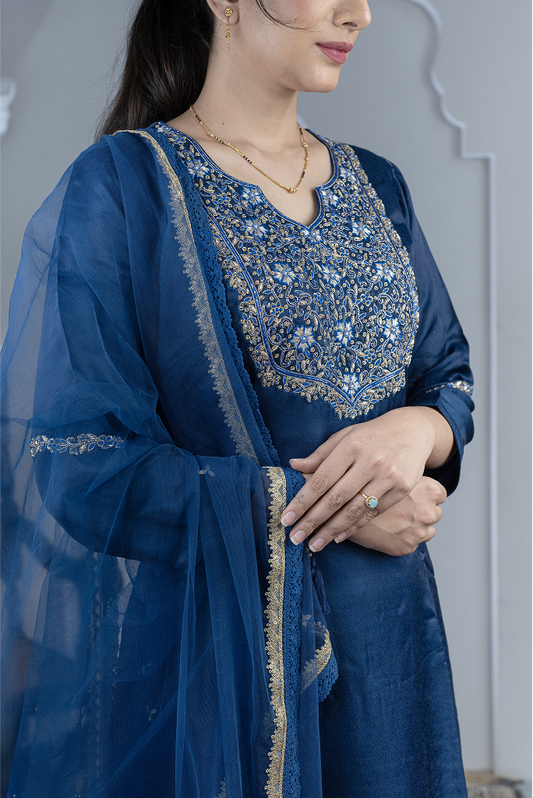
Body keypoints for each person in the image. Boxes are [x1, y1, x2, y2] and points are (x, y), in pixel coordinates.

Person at [0, 0, 474, 796]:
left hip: (391, 654)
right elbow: (81, 465)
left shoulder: (378, 185)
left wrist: (416, 430)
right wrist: (341, 509)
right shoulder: (123, 186)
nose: (358, 14)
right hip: (218, 674)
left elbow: (447, 373)